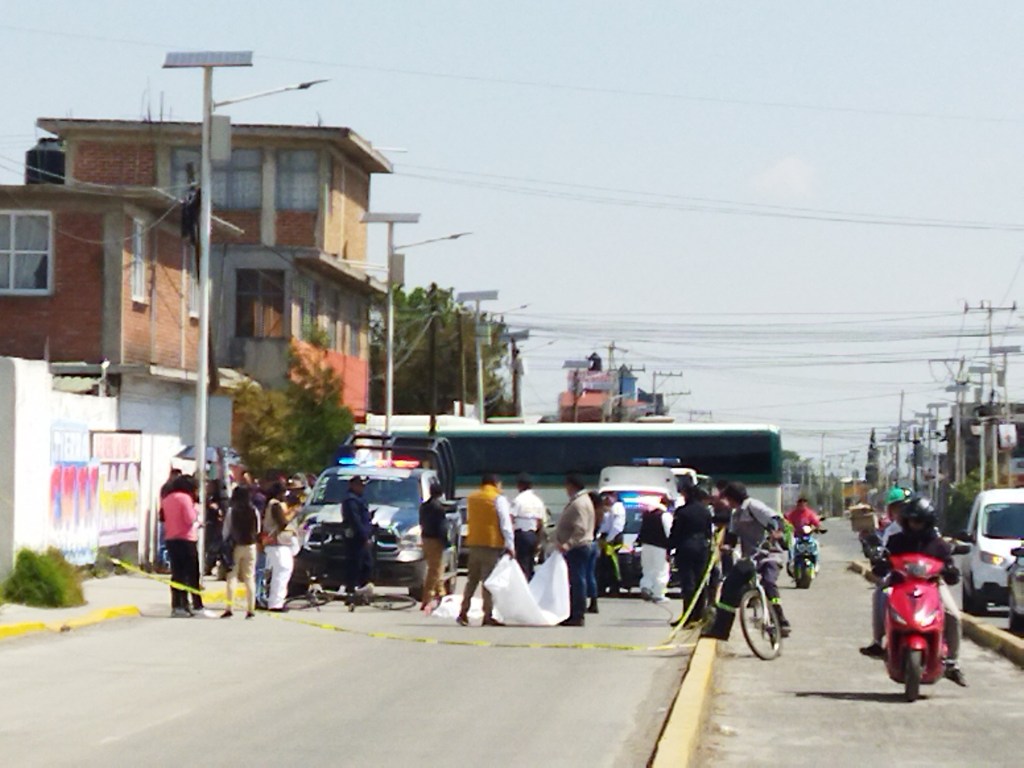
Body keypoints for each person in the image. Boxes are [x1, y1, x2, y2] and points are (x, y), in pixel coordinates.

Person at [871, 496, 967, 687]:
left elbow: (950, 566)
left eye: (920, 520)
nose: (915, 524)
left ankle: (952, 663)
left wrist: (951, 571)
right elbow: (884, 559)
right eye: (912, 520)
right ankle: (877, 641)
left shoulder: (939, 545)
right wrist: (880, 563)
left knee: (954, 615)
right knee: (879, 594)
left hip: (932, 585)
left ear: (928, 522)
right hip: (900, 584)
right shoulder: (896, 541)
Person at [702, 482, 788, 640]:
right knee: (729, 586)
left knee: (769, 582)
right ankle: (721, 630)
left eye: (726, 498)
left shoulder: (753, 506)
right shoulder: (735, 515)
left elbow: (776, 519)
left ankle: (781, 620)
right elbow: (733, 536)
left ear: (732, 498)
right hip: (750, 558)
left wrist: (777, 532)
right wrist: (727, 546)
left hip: (769, 554)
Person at [859, 486, 912, 657]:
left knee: (950, 611)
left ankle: (951, 659)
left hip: (927, 577)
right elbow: (882, 552)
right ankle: (877, 641)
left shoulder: (926, 526)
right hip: (898, 576)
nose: (902, 512)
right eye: (898, 508)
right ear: (891, 511)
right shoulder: (891, 531)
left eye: (906, 507)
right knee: (881, 594)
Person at [457, 474, 515, 626]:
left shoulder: (472, 498)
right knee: (488, 581)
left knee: (472, 580)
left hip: (474, 542)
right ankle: (487, 615)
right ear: (496, 483)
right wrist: (510, 545)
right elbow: (505, 523)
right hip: (491, 543)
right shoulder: (498, 499)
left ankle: (463, 611)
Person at [555, 474, 596, 626]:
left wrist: (568, 543)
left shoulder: (579, 503)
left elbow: (580, 528)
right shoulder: (582, 501)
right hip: (581, 546)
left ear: (572, 486)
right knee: (577, 580)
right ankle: (574, 612)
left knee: (577, 581)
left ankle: (577, 614)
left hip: (578, 547)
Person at [670, 484, 714, 625]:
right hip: (702, 548)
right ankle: (699, 615)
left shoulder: (682, 512)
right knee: (700, 582)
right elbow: (709, 532)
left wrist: (669, 548)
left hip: (686, 547)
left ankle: (687, 616)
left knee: (688, 583)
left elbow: (676, 533)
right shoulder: (705, 511)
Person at [161, 474, 204, 617]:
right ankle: (196, 604)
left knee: (177, 573)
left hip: (171, 539)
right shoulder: (185, 499)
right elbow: (190, 519)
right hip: (187, 539)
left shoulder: (167, 499)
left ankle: (178, 604)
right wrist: (197, 513)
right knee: (191, 573)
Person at [220, 484, 259, 620]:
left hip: (235, 546)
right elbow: (258, 529)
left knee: (232, 576)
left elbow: (226, 530)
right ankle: (251, 609)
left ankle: (230, 608)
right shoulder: (254, 510)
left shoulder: (232, 511)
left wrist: (225, 543)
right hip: (251, 546)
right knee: (249, 577)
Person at [262, 483, 298, 612]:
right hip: (277, 543)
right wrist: (293, 513)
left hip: (275, 544)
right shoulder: (275, 505)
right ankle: (276, 603)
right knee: (282, 571)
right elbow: (282, 523)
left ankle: (277, 601)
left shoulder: (270, 504)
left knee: (281, 572)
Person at [342, 475, 375, 605]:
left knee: (366, 566)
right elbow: (355, 521)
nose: (362, 487)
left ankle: (362, 594)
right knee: (356, 566)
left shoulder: (360, 499)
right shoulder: (351, 500)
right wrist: (364, 536)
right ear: (353, 485)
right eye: (360, 485)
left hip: (362, 536)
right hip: (355, 538)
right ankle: (351, 594)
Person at [418, 479, 449, 612]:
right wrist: (446, 542)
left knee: (436, 568)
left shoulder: (423, 507)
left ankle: (442, 593)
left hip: (425, 538)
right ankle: (427, 598)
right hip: (436, 539)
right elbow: (442, 527)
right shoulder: (439, 509)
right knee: (434, 570)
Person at [510, 473, 546, 581]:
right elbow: (541, 522)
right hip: (533, 535)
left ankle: (523, 589)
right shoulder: (538, 501)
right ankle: (530, 585)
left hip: (521, 535)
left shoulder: (518, 500)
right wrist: (539, 541)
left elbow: (511, 518)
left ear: (520, 485)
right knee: (530, 564)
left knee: (522, 564)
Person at [637, 497, 673, 602]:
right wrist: (670, 548)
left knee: (647, 569)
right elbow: (668, 533)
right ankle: (658, 593)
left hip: (646, 546)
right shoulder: (665, 515)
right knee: (661, 570)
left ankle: (646, 586)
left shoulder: (647, 515)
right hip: (660, 547)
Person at [596, 491, 626, 595]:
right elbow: (603, 524)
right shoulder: (606, 509)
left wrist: (608, 539)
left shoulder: (618, 508)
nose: (607, 499)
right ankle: (602, 587)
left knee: (612, 564)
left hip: (613, 539)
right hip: (605, 537)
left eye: (609, 496)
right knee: (602, 564)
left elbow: (617, 527)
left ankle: (614, 587)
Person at [585, 491, 604, 614]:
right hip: (595, 543)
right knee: (591, 574)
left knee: (582, 574)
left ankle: (582, 601)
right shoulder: (601, 513)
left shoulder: (590, 513)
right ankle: (594, 601)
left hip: (587, 542)